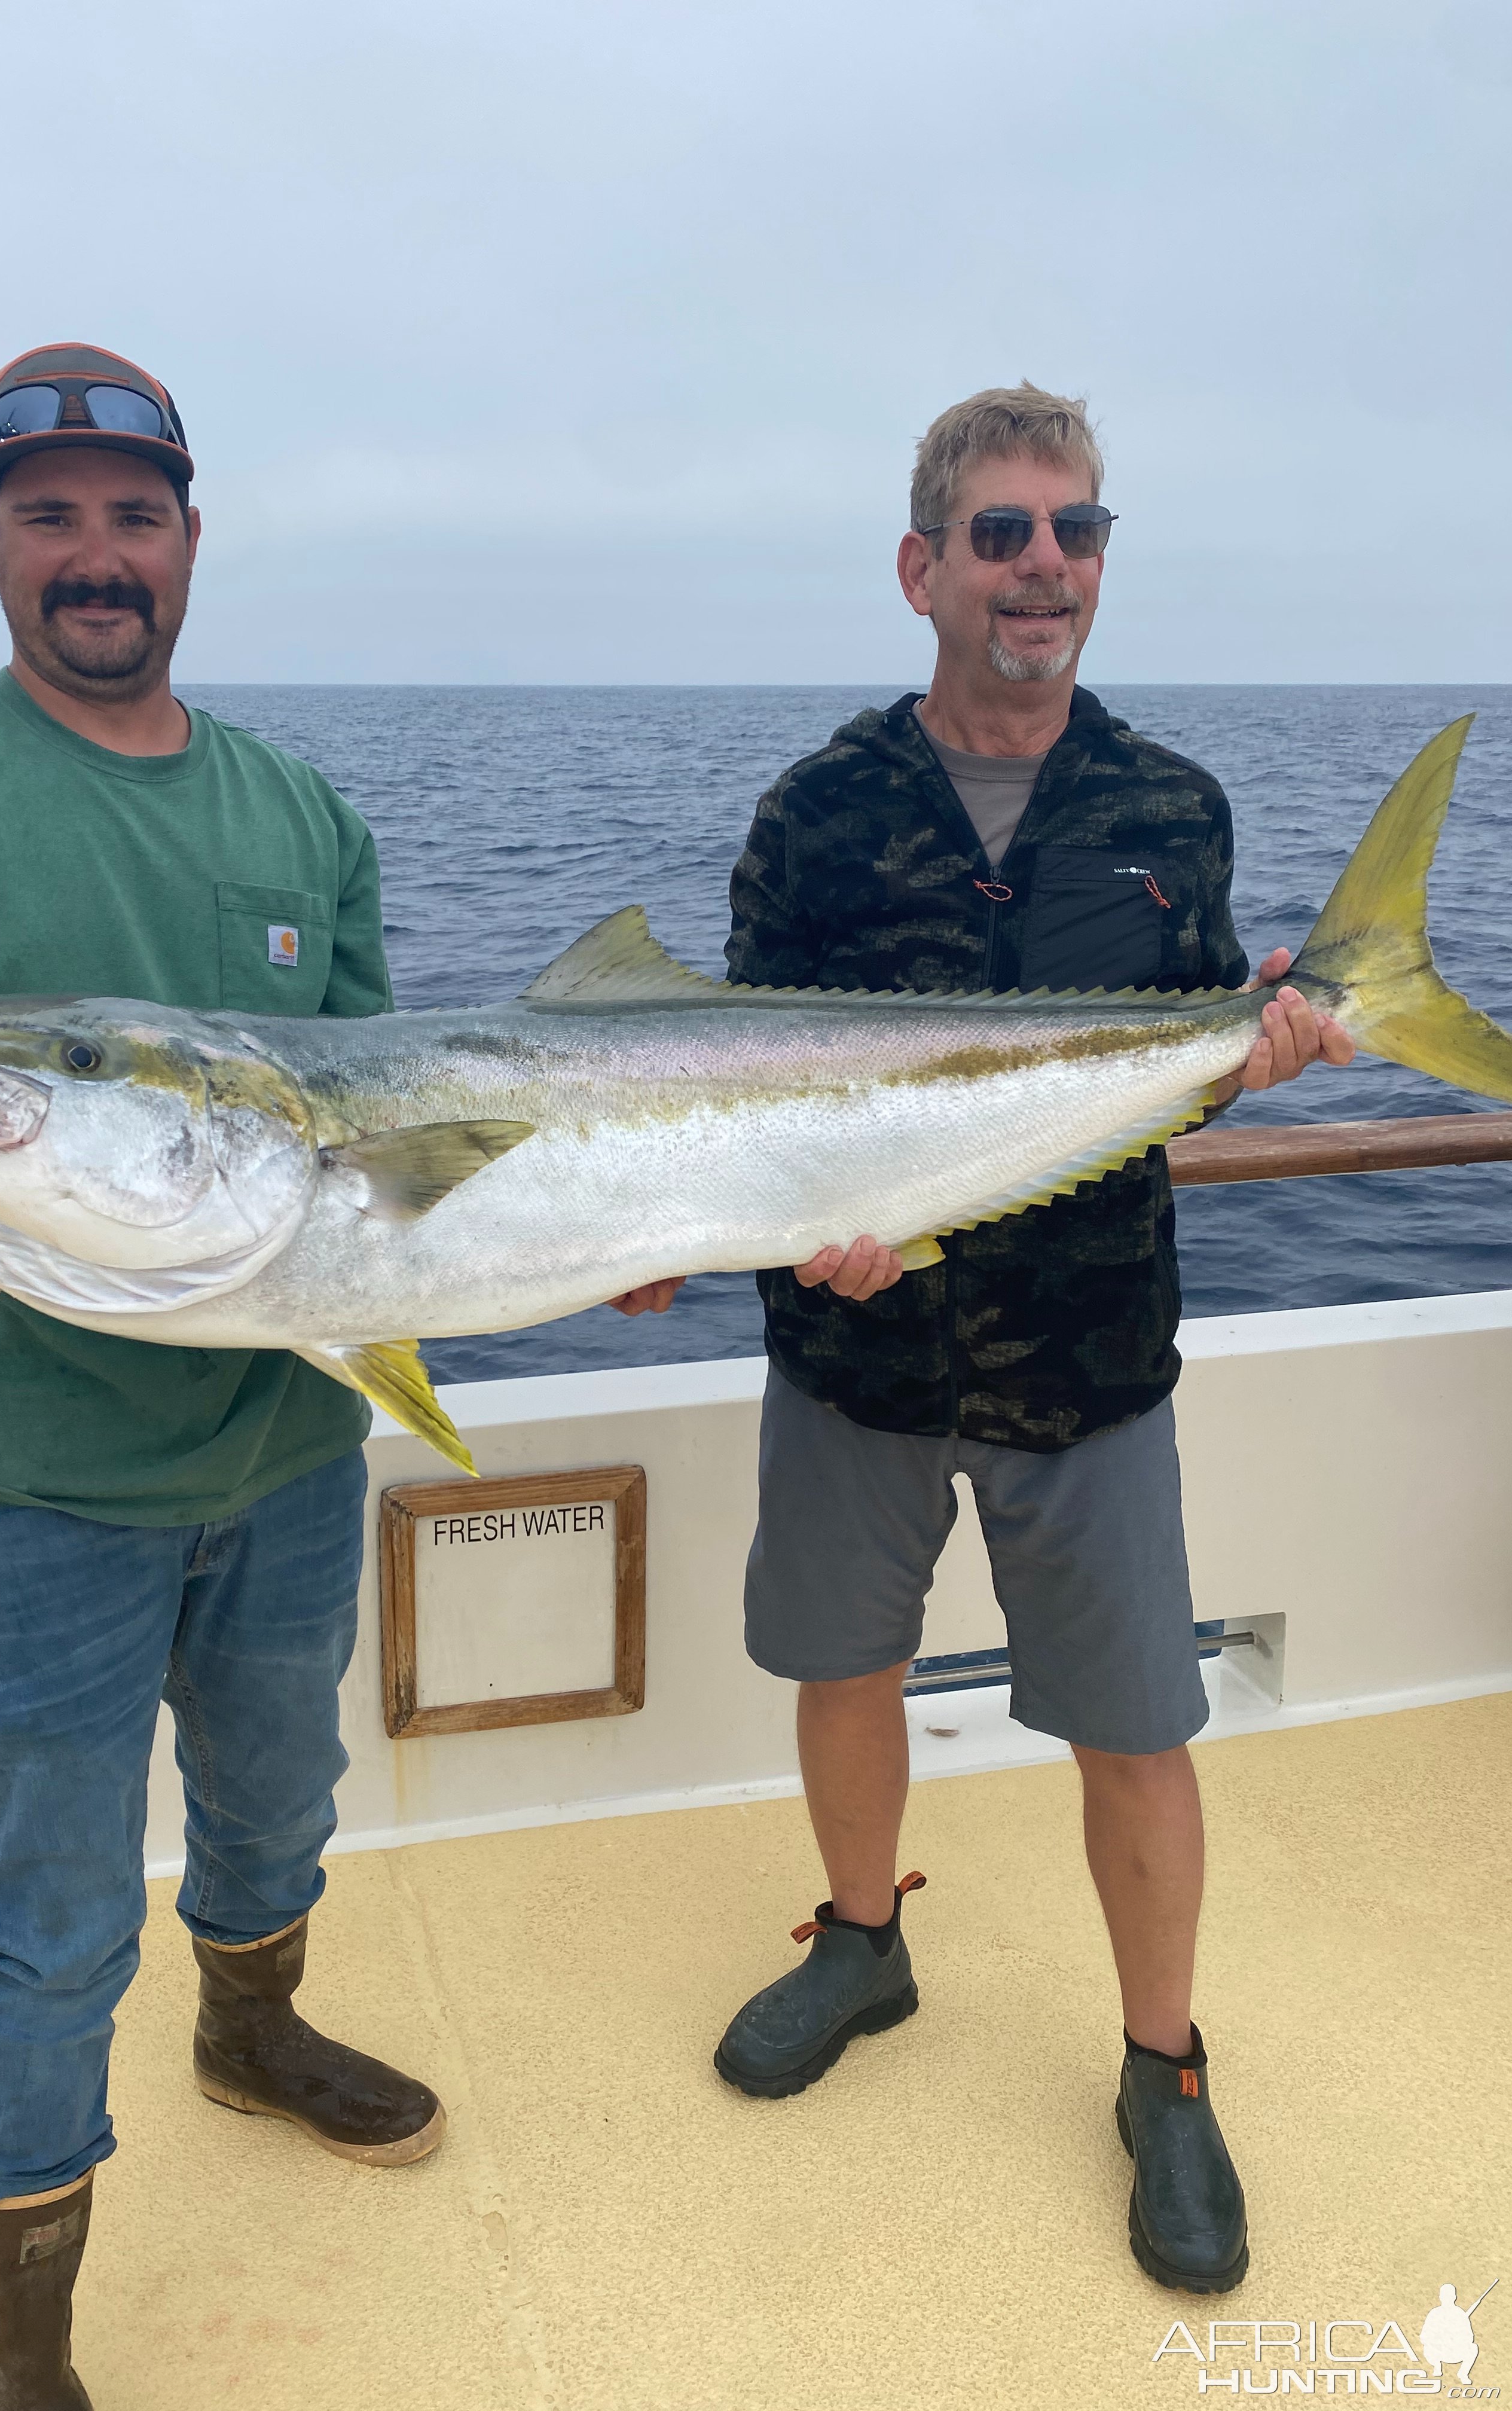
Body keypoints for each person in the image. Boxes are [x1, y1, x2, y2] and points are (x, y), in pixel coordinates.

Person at [0, 344, 444, 2410]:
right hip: (18, 1476)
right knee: (47, 1915)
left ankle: (252, 2032)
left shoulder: (295, 811)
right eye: (46, 515)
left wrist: (610, 1239)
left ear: (188, 543)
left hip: (289, 1437)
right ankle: (16, 2350)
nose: (93, 555)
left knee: (279, 1806)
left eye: (130, 516)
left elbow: (395, 1114)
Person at [614, 381, 1353, 2294]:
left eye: (1078, 530)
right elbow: (746, 1092)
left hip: (1088, 1358)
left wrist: (1252, 1054)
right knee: (842, 1666)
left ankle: (1166, 2072)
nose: (1046, 568)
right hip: (853, 1352)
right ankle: (862, 1942)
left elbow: (1163, 1084)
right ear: (922, 565)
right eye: (1006, 532)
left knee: (1137, 1724)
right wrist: (795, 1236)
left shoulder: (1171, 805)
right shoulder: (820, 812)